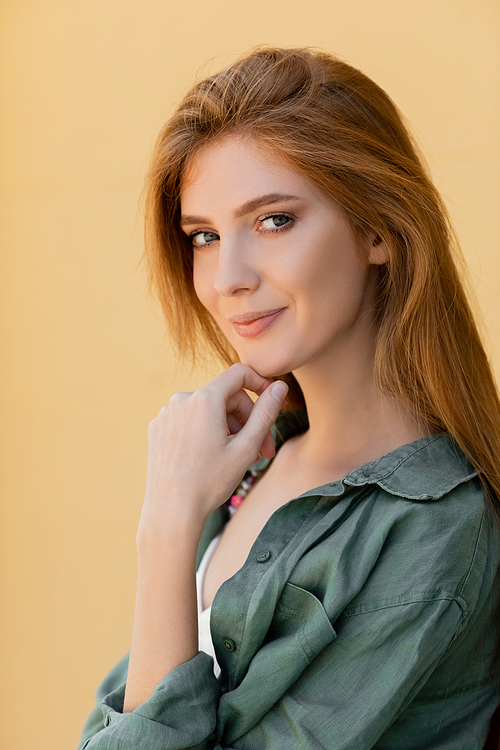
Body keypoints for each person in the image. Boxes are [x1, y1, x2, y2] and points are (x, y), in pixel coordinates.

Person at [79, 47, 500, 749]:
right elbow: (112, 725)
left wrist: (167, 528)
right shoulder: (250, 462)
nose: (228, 277)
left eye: (274, 220)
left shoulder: (433, 526)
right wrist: (178, 514)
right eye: (205, 236)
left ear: (377, 229)